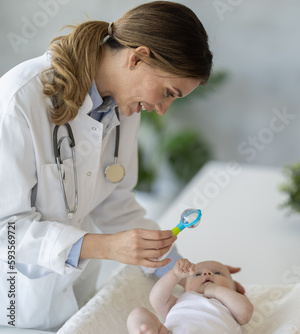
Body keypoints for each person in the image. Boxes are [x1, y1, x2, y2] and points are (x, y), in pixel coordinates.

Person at [0, 1, 243, 330]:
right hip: (15, 302)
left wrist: (186, 273)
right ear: (137, 57)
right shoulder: (19, 102)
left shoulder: (121, 109)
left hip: (77, 297)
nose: (162, 109)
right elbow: (6, 230)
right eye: (168, 92)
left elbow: (116, 203)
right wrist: (105, 246)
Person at [127, 259, 253, 334]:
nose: (207, 273)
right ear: (185, 288)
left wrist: (216, 291)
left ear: (235, 289)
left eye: (218, 273)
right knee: (138, 313)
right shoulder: (181, 301)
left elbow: (244, 313)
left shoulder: (230, 304)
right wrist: (175, 275)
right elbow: (156, 298)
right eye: (197, 275)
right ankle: (146, 331)